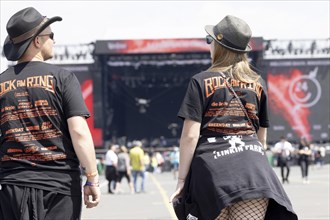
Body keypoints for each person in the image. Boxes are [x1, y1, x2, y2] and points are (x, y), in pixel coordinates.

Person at [169, 15, 297, 220]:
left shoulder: (200, 81)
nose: (209, 45)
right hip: (253, 171)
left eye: (209, 40)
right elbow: (261, 137)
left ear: (218, 46)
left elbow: (190, 137)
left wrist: (182, 180)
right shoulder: (258, 83)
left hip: (212, 170)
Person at [0, 7, 100, 220]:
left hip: (12, 185)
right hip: (59, 185)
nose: (54, 40)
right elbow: (79, 132)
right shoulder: (63, 78)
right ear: (37, 41)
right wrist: (92, 178)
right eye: (51, 35)